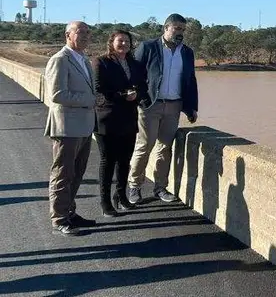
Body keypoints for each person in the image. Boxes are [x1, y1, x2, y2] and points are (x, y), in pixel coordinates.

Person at [128, 13, 198, 204]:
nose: (180, 33)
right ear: (166, 28)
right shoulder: (148, 47)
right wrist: (139, 99)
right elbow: (134, 74)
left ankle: (160, 188)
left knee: (164, 148)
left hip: (174, 105)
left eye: (183, 29)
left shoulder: (187, 52)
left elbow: (190, 80)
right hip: (150, 105)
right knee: (145, 146)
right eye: (177, 28)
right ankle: (134, 185)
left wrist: (191, 107)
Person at [44, 21, 98, 236]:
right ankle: (59, 218)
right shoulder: (59, 60)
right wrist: (90, 100)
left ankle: (69, 212)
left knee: (76, 174)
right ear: (68, 35)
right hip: (66, 127)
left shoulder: (83, 59)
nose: (85, 35)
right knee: (63, 174)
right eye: (80, 32)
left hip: (83, 126)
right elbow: (57, 95)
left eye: (88, 32)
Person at [92, 29, 148, 216]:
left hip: (128, 119)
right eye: (120, 40)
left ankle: (121, 196)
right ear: (111, 42)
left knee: (125, 161)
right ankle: (105, 202)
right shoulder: (101, 62)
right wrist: (123, 96)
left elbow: (143, 86)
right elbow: (99, 89)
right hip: (107, 119)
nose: (123, 44)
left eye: (127, 41)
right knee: (107, 161)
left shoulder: (135, 64)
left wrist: (137, 95)